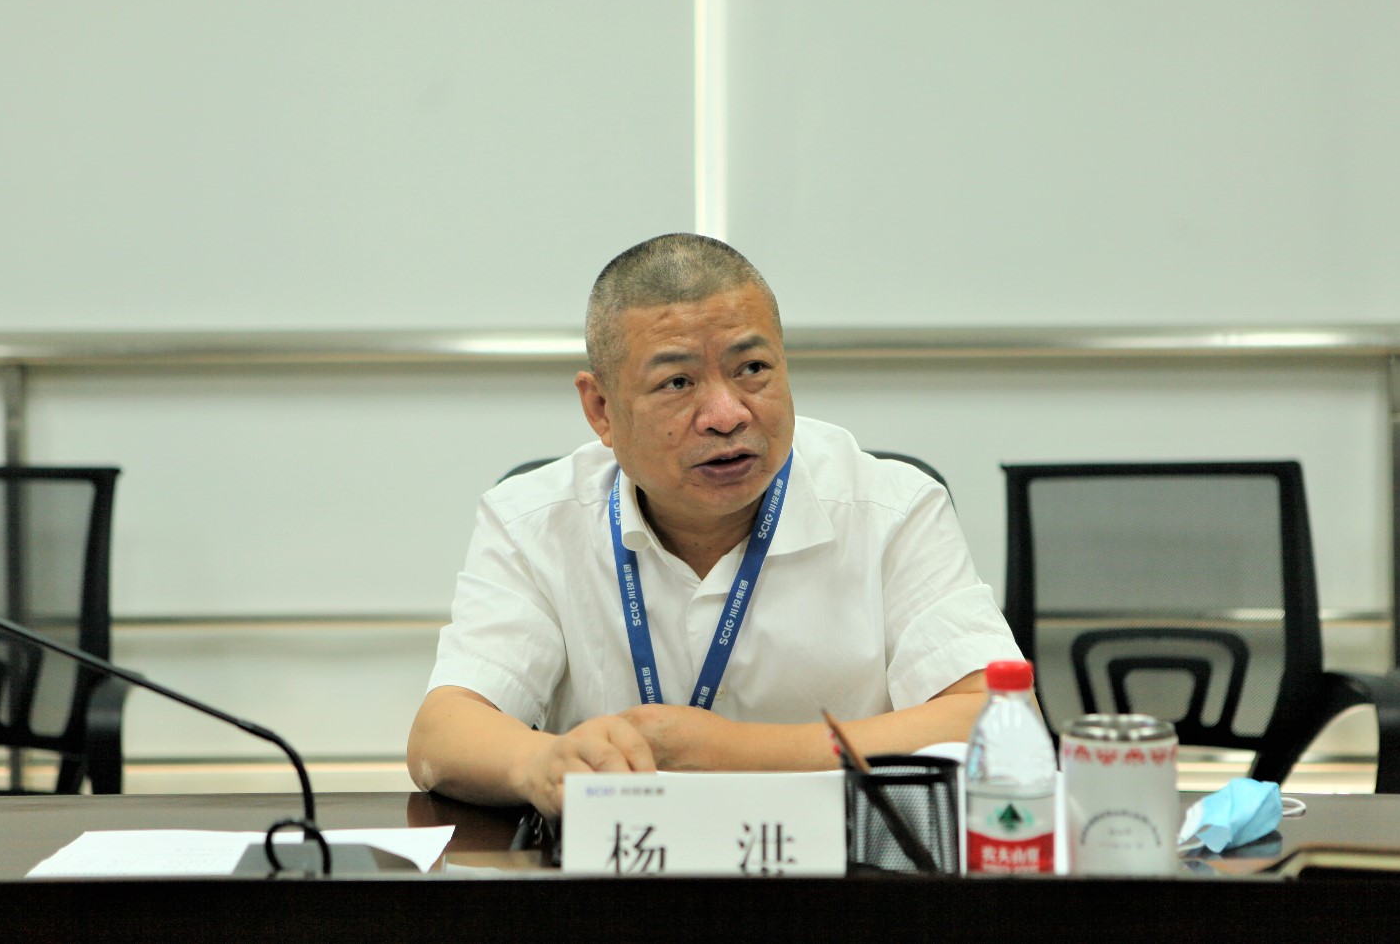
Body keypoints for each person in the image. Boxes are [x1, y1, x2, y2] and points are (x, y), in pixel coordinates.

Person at [407, 233, 1022, 816]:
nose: (726, 415)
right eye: (677, 382)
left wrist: (723, 752)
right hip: (620, 871)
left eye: (751, 368)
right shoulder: (532, 521)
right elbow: (442, 734)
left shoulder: (893, 508)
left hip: (847, 872)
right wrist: (545, 763)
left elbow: (995, 719)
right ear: (601, 409)